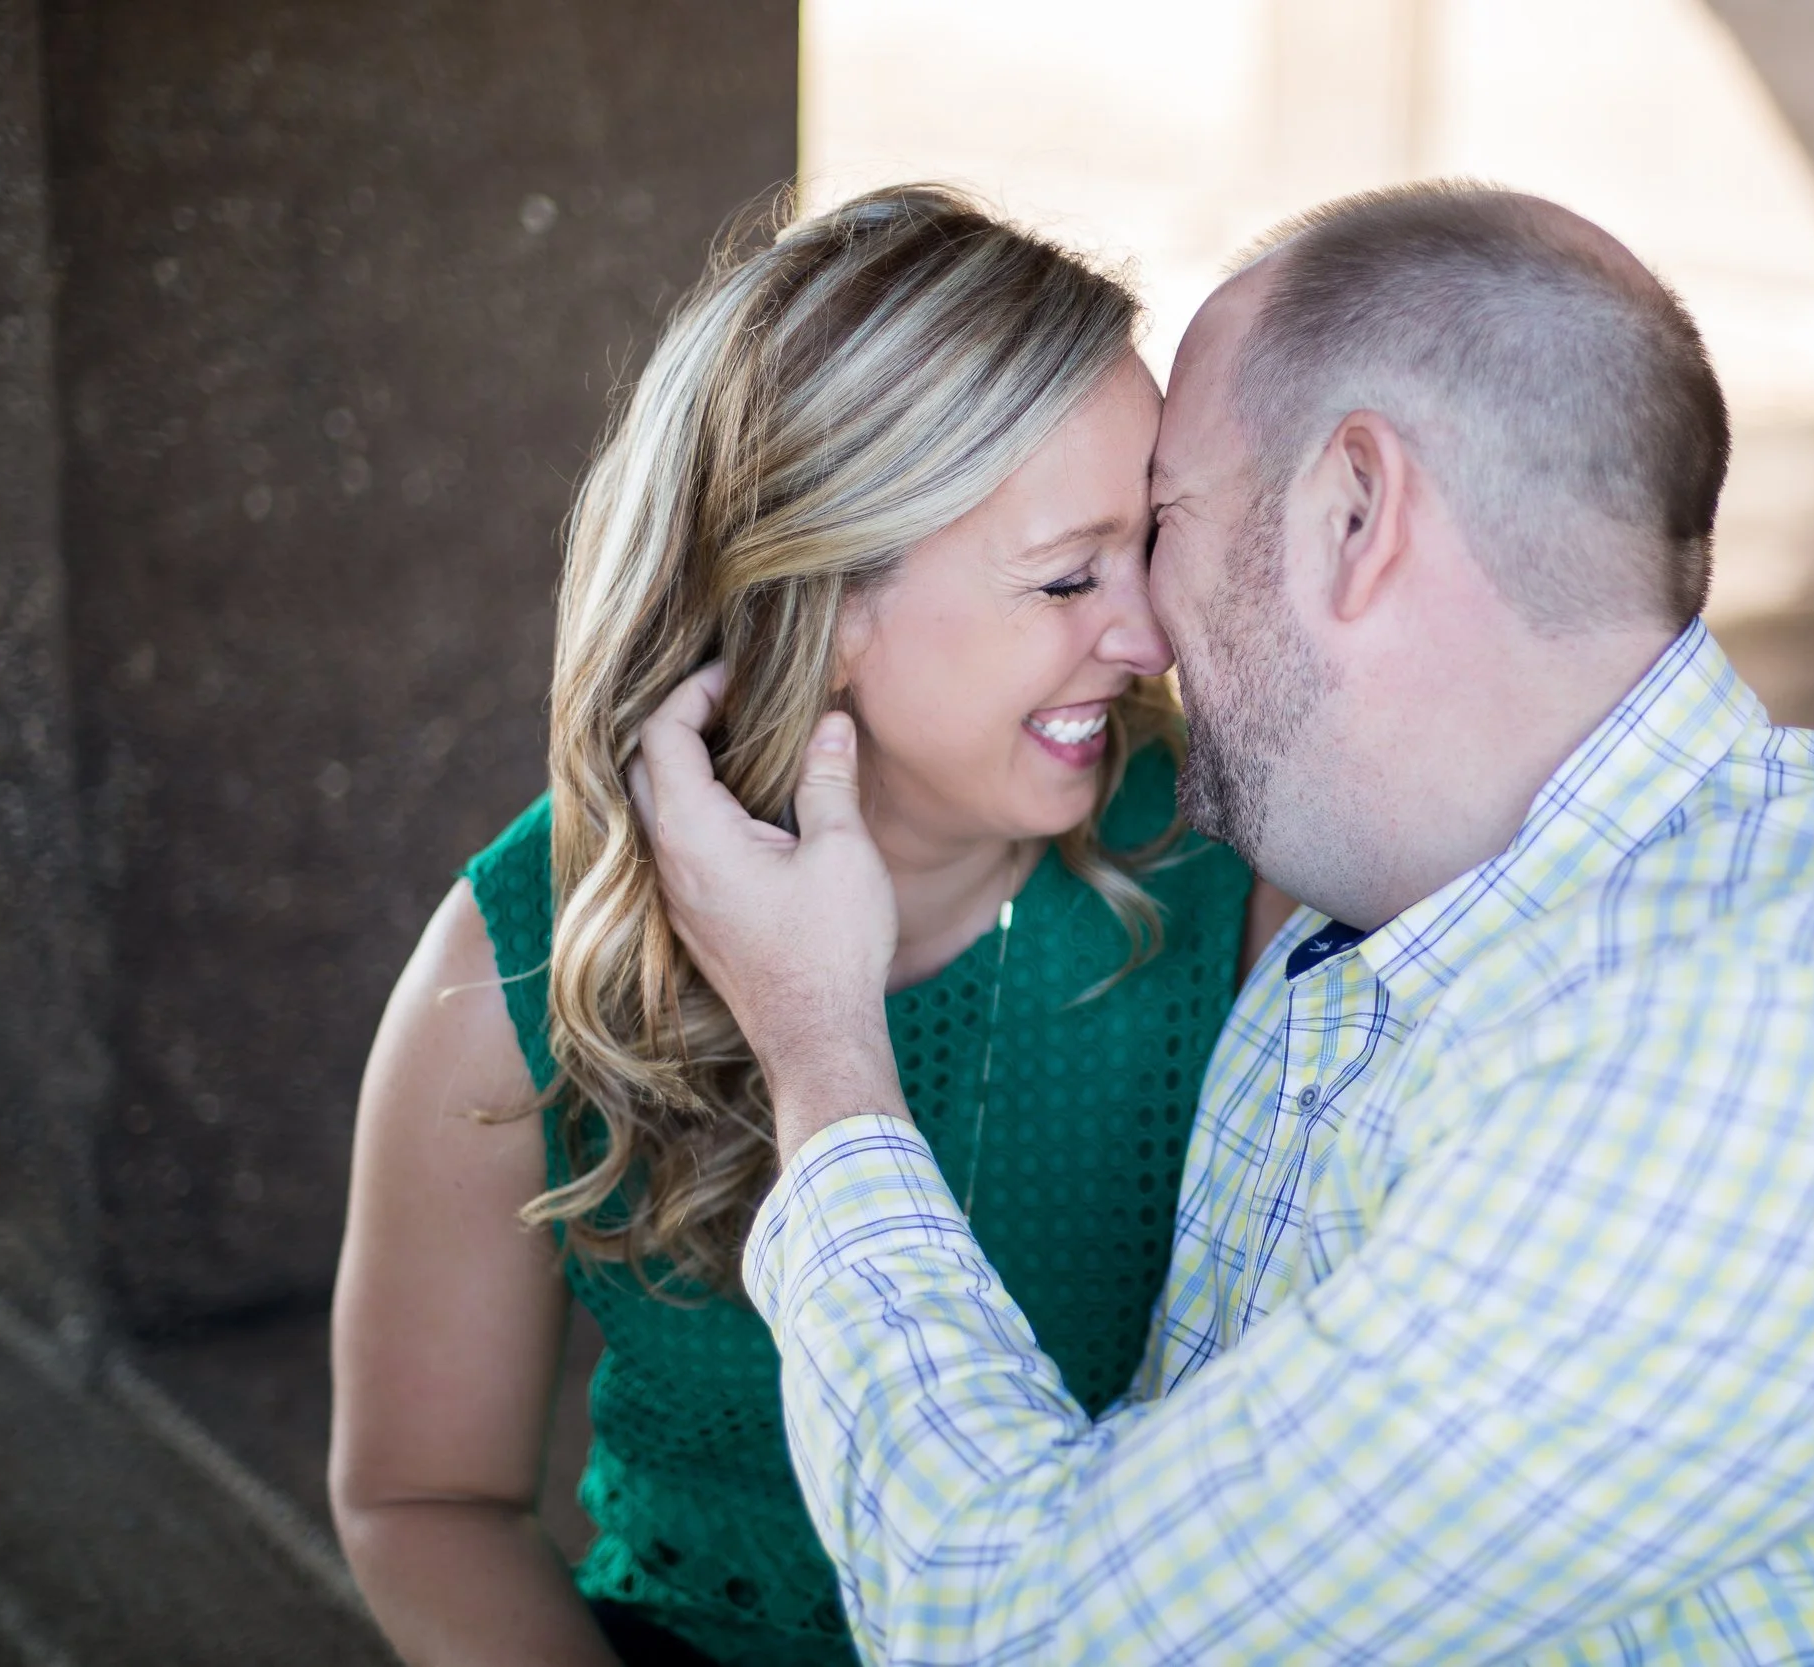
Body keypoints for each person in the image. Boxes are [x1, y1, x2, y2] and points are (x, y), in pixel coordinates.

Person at [633, 184, 1814, 1663]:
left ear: (1352, 512)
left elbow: (1025, 1628)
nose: (1143, 629)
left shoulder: (1773, 1045)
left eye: (1167, 521)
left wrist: (823, 1054)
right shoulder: (1405, 928)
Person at [328, 185, 1287, 1666]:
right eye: (1064, 575)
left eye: (1145, 543)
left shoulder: (1240, 882)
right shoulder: (525, 948)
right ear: (815, 591)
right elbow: (420, 1495)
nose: (1153, 635)